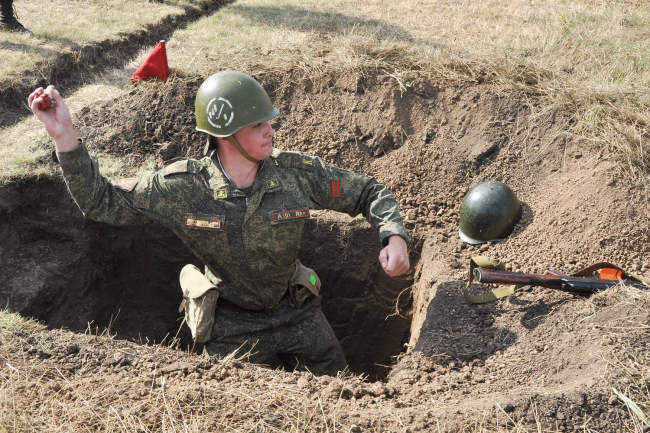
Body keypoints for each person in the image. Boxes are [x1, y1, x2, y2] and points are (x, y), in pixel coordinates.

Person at [29, 71, 410, 376]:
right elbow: (102, 203)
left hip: (297, 312)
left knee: (343, 393)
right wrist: (65, 137)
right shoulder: (181, 187)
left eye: (269, 122)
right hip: (230, 327)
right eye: (257, 125)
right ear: (226, 135)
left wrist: (393, 235)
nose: (271, 131)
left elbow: (367, 192)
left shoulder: (297, 175)